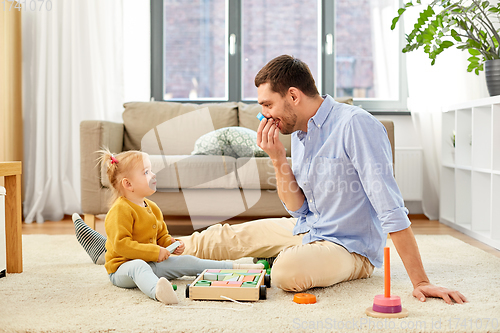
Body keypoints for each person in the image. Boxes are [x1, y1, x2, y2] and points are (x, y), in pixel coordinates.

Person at [74, 55, 466, 305]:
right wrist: (278, 158)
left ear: (293, 96)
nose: (263, 116)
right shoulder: (300, 133)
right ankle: (119, 251)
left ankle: (250, 265)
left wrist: (421, 280)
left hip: (349, 249)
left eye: (266, 105)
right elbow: (298, 207)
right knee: (223, 237)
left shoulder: (356, 126)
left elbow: (390, 207)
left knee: (285, 274)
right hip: (308, 229)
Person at [73, 149, 263, 305]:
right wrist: (155, 252)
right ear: (128, 184)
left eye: (150, 170)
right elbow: (122, 245)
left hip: (153, 263)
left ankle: (235, 267)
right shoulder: (119, 210)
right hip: (123, 269)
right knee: (139, 266)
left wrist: (171, 243)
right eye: (146, 172)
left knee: (189, 262)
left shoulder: (152, 207)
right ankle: (158, 291)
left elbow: (161, 236)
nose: (152, 175)